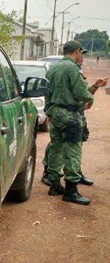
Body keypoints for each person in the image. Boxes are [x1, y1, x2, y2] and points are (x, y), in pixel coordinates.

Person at [44, 40, 108, 205]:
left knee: (56, 147)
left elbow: (50, 92)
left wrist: (94, 86)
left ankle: (55, 184)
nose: (82, 57)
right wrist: (91, 96)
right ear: (77, 51)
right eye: (81, 54)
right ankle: (71, 191)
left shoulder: (53, 68)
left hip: (56, 113)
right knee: (73, 150)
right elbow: (81, 94)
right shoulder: (73, 68)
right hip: (70, 116)